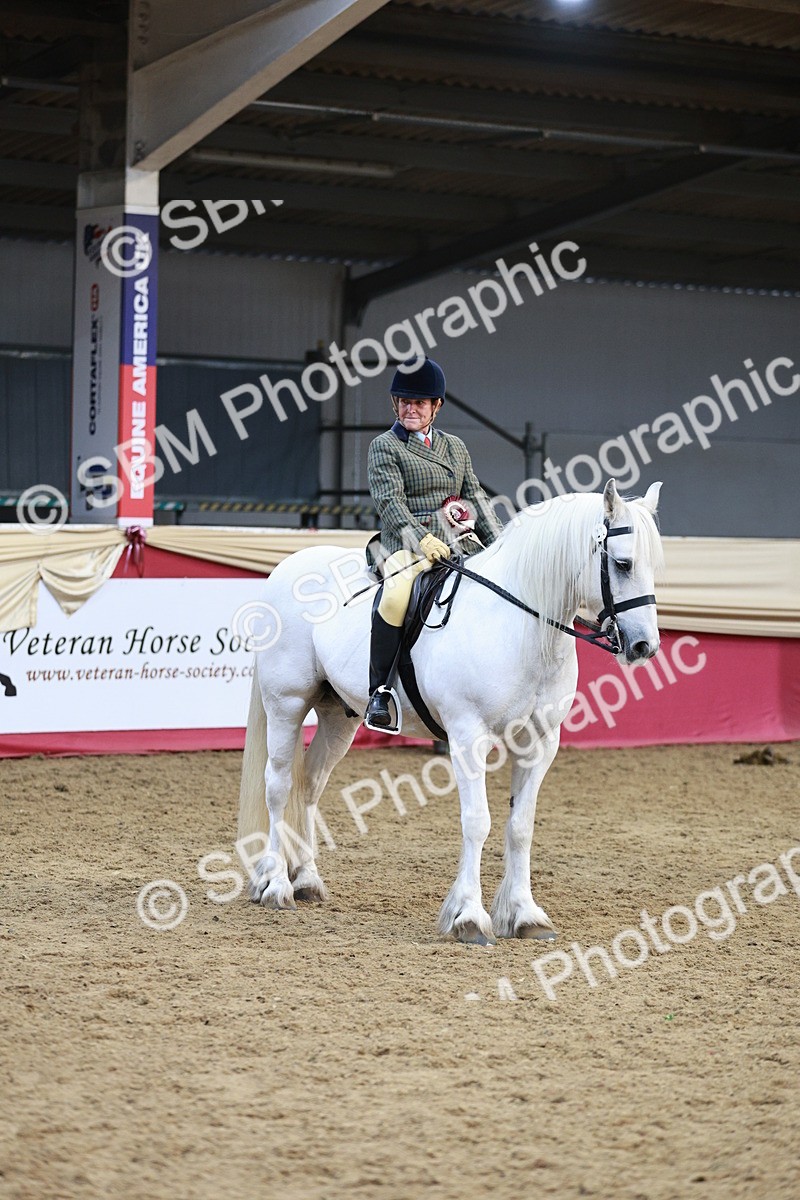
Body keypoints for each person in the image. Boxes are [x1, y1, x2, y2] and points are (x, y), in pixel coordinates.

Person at [364, 356, 503, 730]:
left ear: (435, 406)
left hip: (458, 544)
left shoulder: (455, 447)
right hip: (406, 545)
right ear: (396, 404)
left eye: (420, 403)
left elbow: (476, 499)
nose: (412, 409)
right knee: (395, 596)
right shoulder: (385, 446)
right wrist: (421, 538)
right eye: (405, 402)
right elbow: (389, 502)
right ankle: (379, 692)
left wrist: (503, 546)